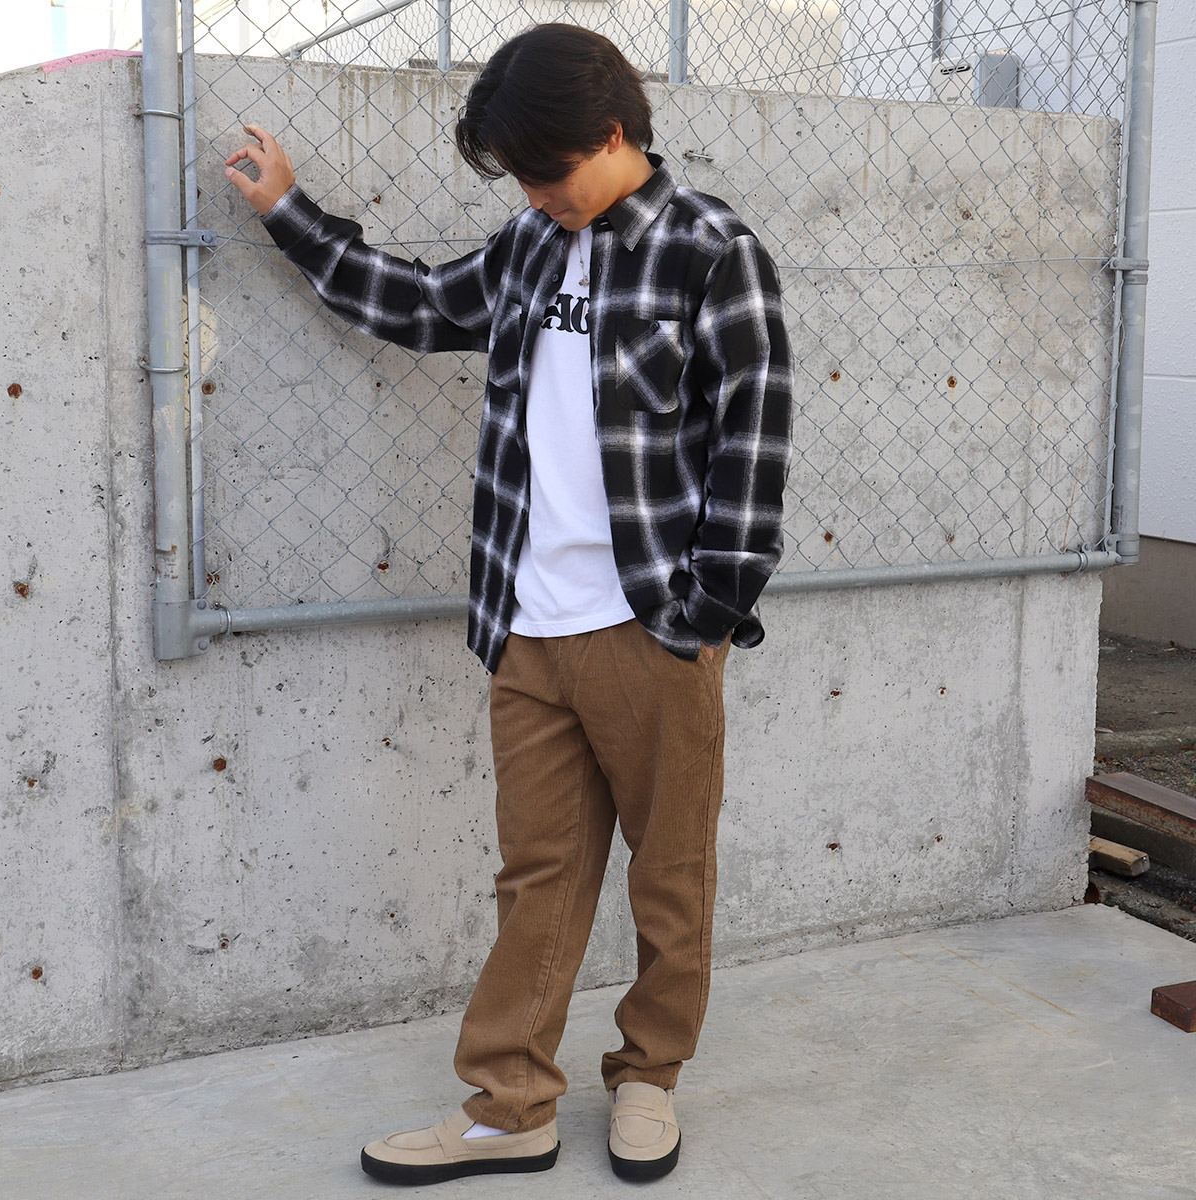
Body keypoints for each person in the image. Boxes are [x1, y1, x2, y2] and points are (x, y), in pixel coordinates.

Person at [225, 22, 792, 1186]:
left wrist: (707, 610)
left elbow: (756, 437)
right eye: (521, 178)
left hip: (649, 627)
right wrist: (290, 211)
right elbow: (420, 305)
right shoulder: (533, 243)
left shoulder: (710, 251)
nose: (536, 194)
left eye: (549, 170)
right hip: (528, 627)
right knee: (537, 878)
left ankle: (649, 1077)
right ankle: (510, 1108)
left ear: (615, 132)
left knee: (669, 874)